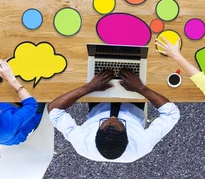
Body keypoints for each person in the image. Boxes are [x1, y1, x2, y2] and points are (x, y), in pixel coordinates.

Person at [47, 69, 180, 163]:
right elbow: (172, 114)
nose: (113, 118)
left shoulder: (82, 143)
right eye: (119, 122)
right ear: (128, 137)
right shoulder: (142, 144)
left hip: (99, 100)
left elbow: (54, 110)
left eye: (106, 122)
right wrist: (141, 88)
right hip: (134, 100)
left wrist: (88, 88)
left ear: (96, 134)